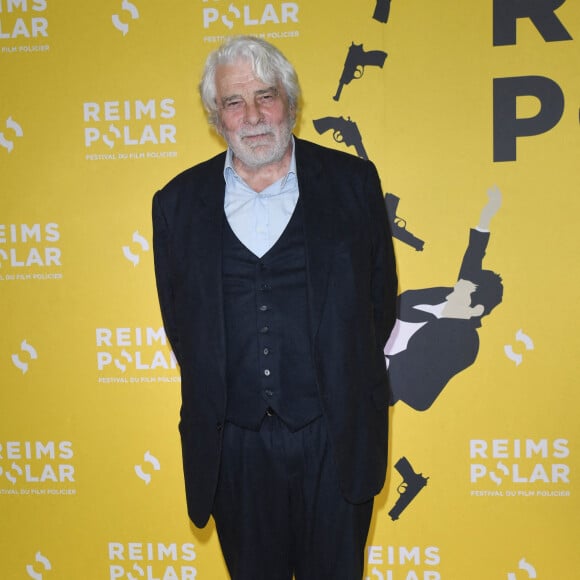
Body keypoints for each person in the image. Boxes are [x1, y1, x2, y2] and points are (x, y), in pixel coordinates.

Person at [152, 35, 397, 580]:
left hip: (334, 437)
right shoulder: (176, 203)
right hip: (233, 445)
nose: (254, 116)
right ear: (217, 117)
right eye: (235, 102)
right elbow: (182, 326)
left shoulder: (353, 184)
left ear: (289, 100)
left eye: (267, 96)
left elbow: (378, 306)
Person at [385, 186, 503, 411]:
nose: (453, 290)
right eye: (458, 285)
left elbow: (419, 394)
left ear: (475, 310)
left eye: (461, 290)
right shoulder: (446, 296)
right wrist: (487, 216)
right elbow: (473, 258)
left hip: (370, 384)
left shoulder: (464, 341)